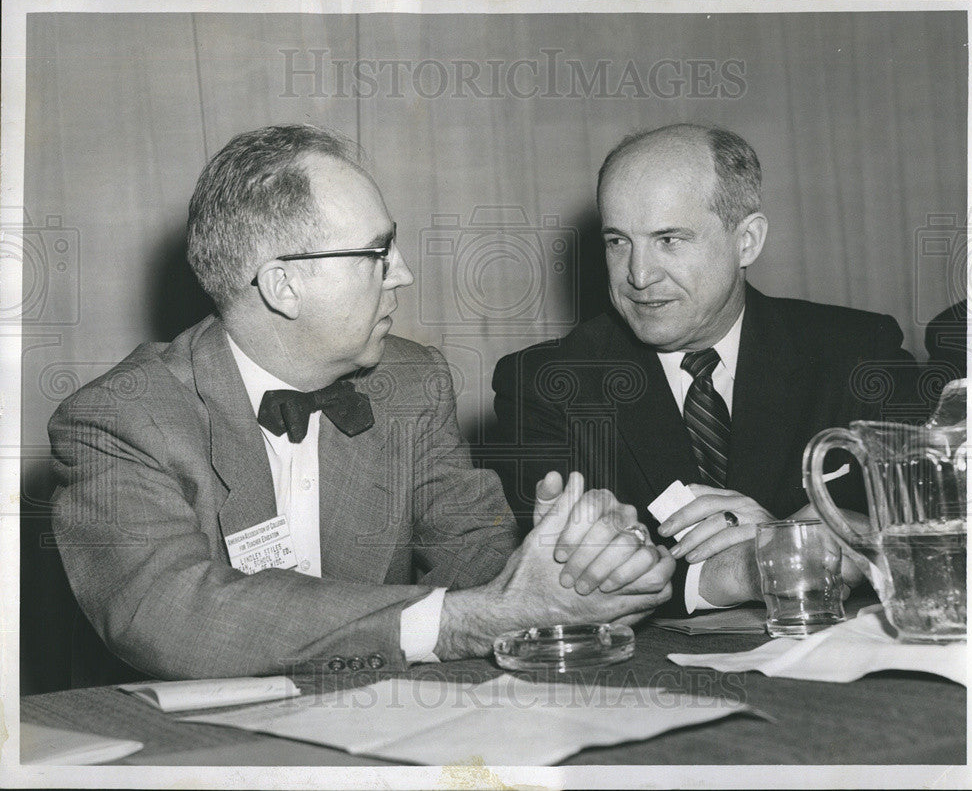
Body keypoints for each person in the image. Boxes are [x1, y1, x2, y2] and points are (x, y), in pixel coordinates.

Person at [49, 124, 676, 683]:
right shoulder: (119, 418)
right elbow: (169, 617)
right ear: (283, 285)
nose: (401, 273)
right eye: (377, 253)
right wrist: (462, 621)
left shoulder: (411, 380)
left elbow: (476, 554)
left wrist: (564, 560)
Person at [492, 123, 918, 615]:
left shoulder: (857, 352)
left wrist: (865, 536)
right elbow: (562, 582)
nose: (638, 275)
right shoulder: (547, 384)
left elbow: (946, 534)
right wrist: (754, 566)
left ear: (747, 241)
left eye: (669, 239)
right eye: (617, 242)